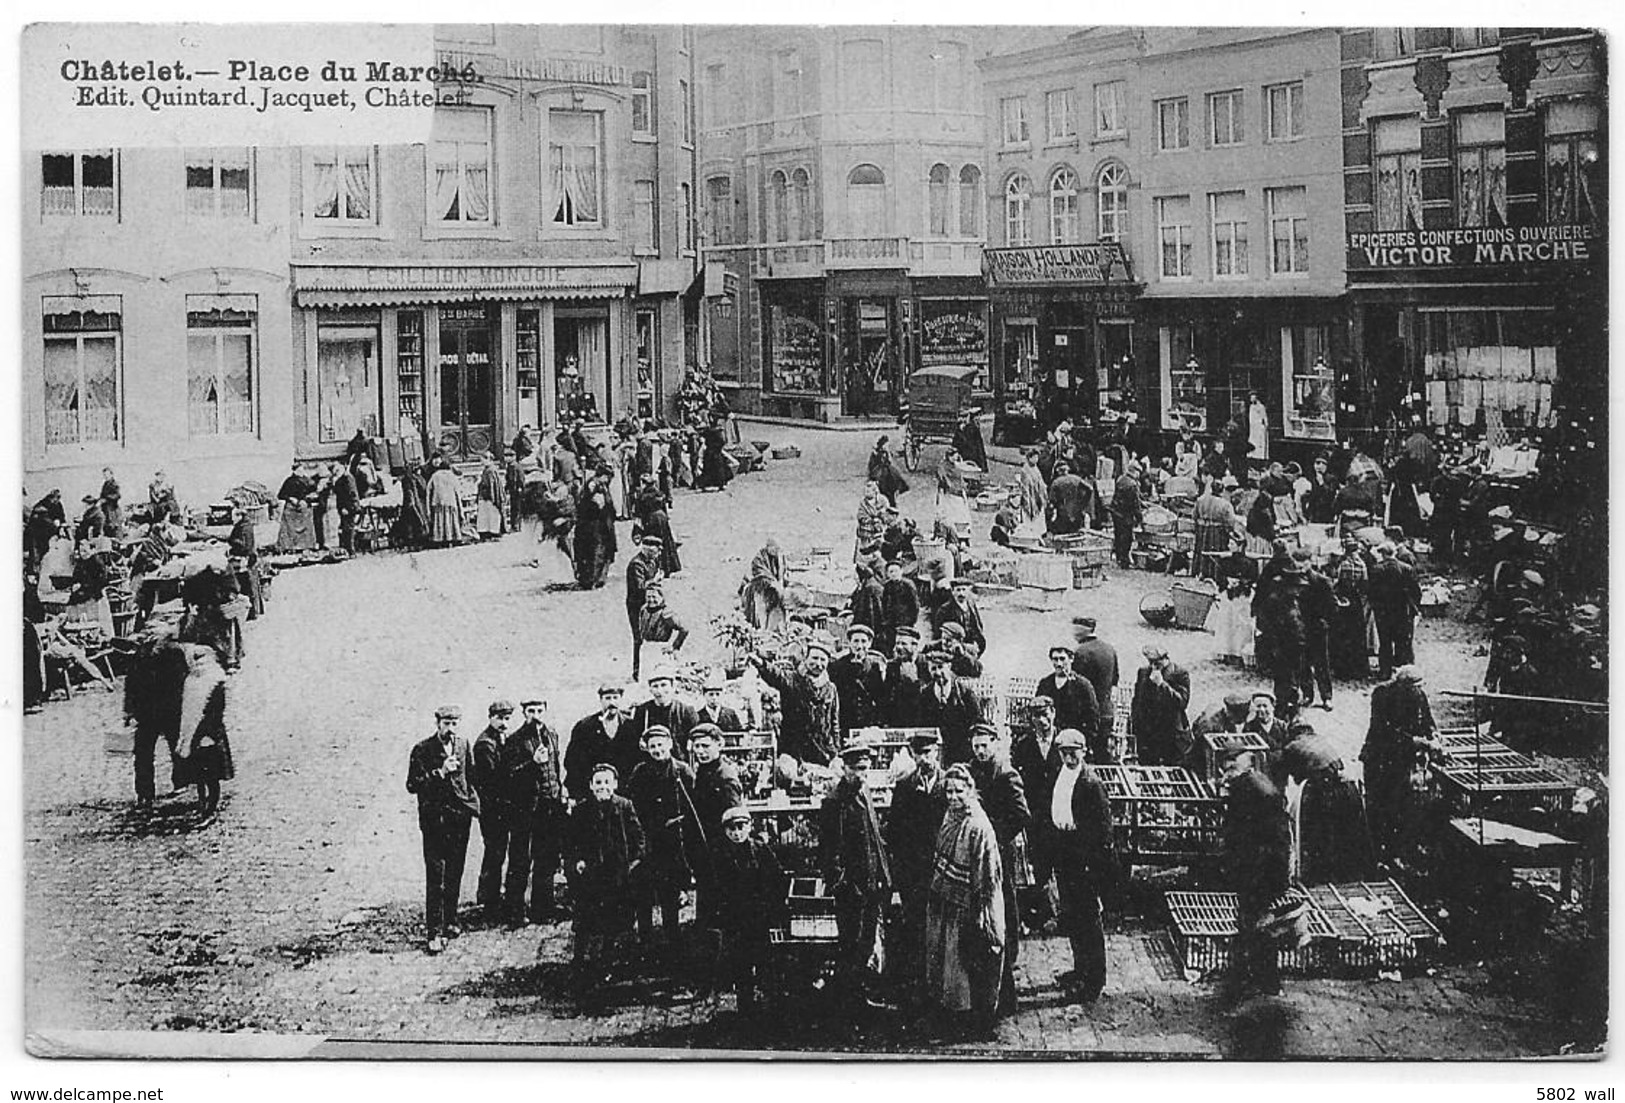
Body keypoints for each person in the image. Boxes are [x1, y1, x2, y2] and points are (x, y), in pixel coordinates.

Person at [923, 764, 1005, 1035]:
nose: (953, 796)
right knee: (946, 962)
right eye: (949, 791)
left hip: (970, 904)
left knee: (966, 965)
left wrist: (980, 912)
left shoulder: (978, 825)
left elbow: (987, 875)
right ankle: (950, 1013)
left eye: (959, 791)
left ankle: (973, 1021)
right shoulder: (950, 815)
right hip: (944, 898)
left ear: (970, 790)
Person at [820, 732, 893, 1012]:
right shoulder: (835, 801)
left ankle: (858, 995)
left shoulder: (864, 793)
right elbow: (829, 852)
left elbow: (874, 838)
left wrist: (884, 876)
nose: (861, 775)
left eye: (865, 769)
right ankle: (847, 1002)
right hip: (853, 890)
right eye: (856, 769)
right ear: (845, 768)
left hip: (872, 883)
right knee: (850, 944)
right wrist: (842, 885)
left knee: (865, 943)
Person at [406, 705, 481, 954]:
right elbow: (413, 784)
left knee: (455, 873)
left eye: (455, 723)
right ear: (437, 723)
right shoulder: (422, 749)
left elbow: (471, 777)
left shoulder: (463, 745)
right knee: (436, 878)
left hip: (459, 820)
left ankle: (450, 921)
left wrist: (471, 805)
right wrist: (439, 772)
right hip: (435, 822)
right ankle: (433, 932)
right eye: (446, 723)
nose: (451, 728)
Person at [966, 723, 1030, 1016]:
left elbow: (1021, 815)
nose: (980, 751)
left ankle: (1008, 959)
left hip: (999, 852)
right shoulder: (971, 770)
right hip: (976, 851)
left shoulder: (1005, 773)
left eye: (985, 745)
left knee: (1005, 904)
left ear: (995, 743)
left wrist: (994, 835)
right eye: (976, 746)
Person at [1047, 729, 1114, 1002]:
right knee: (1073, 915)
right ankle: (1080, 968)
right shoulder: (1063, 773)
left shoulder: (1090, 783)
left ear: (1084, 751)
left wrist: (1093, 868)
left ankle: (1093, 981)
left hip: (1083, 857)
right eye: (1064, 751)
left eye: (1073, 751)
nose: (1069, 756)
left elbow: (1103, 832)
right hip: (1065, 851)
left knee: (1088, 919)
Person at [1220, 748, 1290, 1001]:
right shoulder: (1257, 784)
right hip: (1264, 870)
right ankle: (1261, 979)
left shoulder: (1247, 790)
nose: (1225, 776)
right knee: (1256, 924)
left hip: (1259, 872)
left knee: (1256, 925)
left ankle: (1257, 980)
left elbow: (1239, 832)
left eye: (1229, 769)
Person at [565, 764, 645, 986]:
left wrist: (632, 863)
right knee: (585, 921)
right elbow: (571, 842)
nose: (603, 787)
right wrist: (577, 861)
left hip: (616, 875)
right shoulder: (581, 810)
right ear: (591, 786)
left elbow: (638, 838)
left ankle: (608, 964)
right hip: (590, 875)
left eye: (607, 782)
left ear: (615, 784)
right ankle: (579, 961)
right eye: (598, 783)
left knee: (613, 921)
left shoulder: (624, 806)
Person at [885, 730, 948, 1009]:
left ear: (938, 753)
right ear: (912, 755)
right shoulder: (904, 787)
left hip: (944, 871)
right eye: (919, 753)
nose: (925, 759)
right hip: (915, 874)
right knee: (916, 932)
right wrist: (901, 879)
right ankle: (919, 993)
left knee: (944, 932)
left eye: (930, 753)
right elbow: (896, 835)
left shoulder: (950, 785)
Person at [625, 726, 698, 951]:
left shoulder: (683, 771)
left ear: (669, 744)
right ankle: (645, 940)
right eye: (652, 746)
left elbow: (693, 807)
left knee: (670, 891)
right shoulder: (640, 772)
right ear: (646, 748)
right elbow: (631, 806)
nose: (657, 750)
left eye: (660, 745)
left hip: (674, 843)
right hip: (648, 841)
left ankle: (673, 938)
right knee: (644, 892)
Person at [711, 806, 786, 1013]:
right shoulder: (719, 854)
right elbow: (715, 888)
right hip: (735, 919)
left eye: (741, 827)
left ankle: (768, 1005)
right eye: (731, 829)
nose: (737, 833)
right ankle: (745, 1007)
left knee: (765, 960)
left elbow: (778, 878)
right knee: (740, 963)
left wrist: (773, 906)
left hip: (760, 916)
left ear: (749, 826)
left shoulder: (760, 849)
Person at [1361, 665, 1438, 868]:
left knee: (1401, 804)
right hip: (1380, 758)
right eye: (1416, 687)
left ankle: (1400, 851)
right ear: (1404, 685)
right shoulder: (1382, 695)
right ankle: (1378, 854)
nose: (1420, 691)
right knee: (1379, 807)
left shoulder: (1417, 694)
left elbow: (1427, 718)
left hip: (1401, 760)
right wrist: (1415, 741)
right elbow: (1383, 730)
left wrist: (1433, 734)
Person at [1281, 724, 1375, 885]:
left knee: (1321, 834)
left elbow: (1296, 778)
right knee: (1347, 833)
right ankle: (1352, 874)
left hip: (1321, 791)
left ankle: (1322, 876)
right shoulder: (1320, 740)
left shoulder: (1292, 747)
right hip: (1345, 787)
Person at [503, 697, 566, 925]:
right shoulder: (515, 740)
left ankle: (543, 908)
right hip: (526, 809)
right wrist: (532, 762)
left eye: (540, 710)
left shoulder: (552, 733)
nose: (536, 714)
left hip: (549, 806)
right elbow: (509, 774)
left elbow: (555, 768)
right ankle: (515, 911)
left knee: (546, 859)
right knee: (521, 860)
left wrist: (559, 791)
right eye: (531, 710)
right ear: (524, 713)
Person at [687, 725, 743, 945]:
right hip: (707, 850)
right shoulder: (705, 770)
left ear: (720, 745)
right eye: (697, 746)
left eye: (705, 746)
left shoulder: (725, 777)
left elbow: (735, 818)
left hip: (722, 852)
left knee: (723, 909)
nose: (700, 751)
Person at [1010, 695, 1061, 930]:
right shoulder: (1024, 745)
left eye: (1046, 714)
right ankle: (1045, 912)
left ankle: (1060, 912)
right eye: (1037, 716)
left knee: (1063, 864)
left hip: (1061, 813)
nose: (1042, 720)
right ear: (1031, 720)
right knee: (1039, 863)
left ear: (1054, 714)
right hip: (1036, 815)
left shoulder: (1063, 743)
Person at [750, 639, 841, 768]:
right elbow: (776, 675)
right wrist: (761, 664)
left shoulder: (830, 689)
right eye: (814, 658)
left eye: (823, 660)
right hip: (794, 751)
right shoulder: (793, 679)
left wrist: (835, 750)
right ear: (805, 659)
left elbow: (834, 722)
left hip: (822, 751)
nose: (818, 664)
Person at [123, 633, 188, 811]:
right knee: (160, 749)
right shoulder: (168, 651)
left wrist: (129, 711)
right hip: (160, 710)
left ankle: (149, 792)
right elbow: (131, 683)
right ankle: (152, 790)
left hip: (157, 710)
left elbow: (131, 685)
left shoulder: (166, 652)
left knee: (155, 750)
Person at [470, 700, 518, 922]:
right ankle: (489, 902)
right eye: (500, 718)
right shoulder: (485, 745)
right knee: (495, 854)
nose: (504, 723)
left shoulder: (502, 738)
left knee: (498, 852)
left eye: (507, 718)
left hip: (504, 807)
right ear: (491, 718)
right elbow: (493, 780)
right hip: (493, 810)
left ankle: (493, 898)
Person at [915, 647, 984, 766]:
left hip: (961, 758)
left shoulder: (965, 695)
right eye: (933, 669)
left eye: (941, 667)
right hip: (933, 758)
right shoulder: (924, 696)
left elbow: (977, 727)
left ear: (949, 667)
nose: (937, 673)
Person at [1037, 644, 1102, 762]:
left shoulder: (1083, 686)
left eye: (1062, 659)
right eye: (1055, 659)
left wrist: (1082, 743)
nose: (1059, 664)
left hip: (1073, 746)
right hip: (1050, 745)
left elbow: (1093, 719)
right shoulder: (1045, 684)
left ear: (1071, 659)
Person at [1130, 645, 1192, 767]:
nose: (1153, 667)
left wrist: (1162, 684)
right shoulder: (1143, 672)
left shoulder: (1179, 673)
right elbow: (1137, 700)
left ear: (1165, 659)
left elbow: (1182, 702)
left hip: (1169, 732)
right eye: (1150, 663)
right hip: (1147, 732)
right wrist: (1134, 722)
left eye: (1156, 664)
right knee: (1147, 767)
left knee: (1172, 768)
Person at [565, 683, 628, 803]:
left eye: (615, 698)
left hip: (621, 794)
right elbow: (572, 762)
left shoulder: (630, 726)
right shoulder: (585, 727)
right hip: (592, 792)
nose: (612, 703)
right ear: (601, 700)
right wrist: (575, 793)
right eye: (608, 698)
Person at [624, 667, 700, 766]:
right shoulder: (642, 711)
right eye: (655, 686)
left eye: (664, 685)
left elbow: (695, 741)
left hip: (679, 766)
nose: (659, 691)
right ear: (650, 689)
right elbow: (634, 743)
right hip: (650, 766)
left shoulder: (686, 711)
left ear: (672, 687)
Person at [1367, 543, 1421, 681]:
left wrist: (1376, 606)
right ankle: (1402, 671)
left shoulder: (1376, 569)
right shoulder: (1406, 569)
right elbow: (1416, 591)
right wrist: (1413, 606)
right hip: (1402, 611)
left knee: (1385, 642)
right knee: (1402, 641)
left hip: (1383, 612)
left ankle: (1385, 671)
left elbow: (1371, 592)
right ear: (1394, 553)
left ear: (1383, 554)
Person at [1071, 617, 1120, 761]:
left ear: (1083, 630)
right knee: (1103, 753)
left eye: (1075, 628)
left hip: (1087, 714)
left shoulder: (1080, 652)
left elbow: (1076, 686)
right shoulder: (1109, 649)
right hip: (1106, 711)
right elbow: (1115, 679)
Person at [830, 622, 886, 735]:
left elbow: (880, 698)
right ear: (849, 643)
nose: (859, 646)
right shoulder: (838, 666)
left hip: (868, 725)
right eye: (855, 641)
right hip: (845, 722)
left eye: (863, 641)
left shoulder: (875, 667)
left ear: (870, 643)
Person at [1331, 537, 1372, 680]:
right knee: (1358, 635)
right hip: (1356, 601)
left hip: (1344, 599)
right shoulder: (1362, 564)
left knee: (1343, 634)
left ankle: (1343, 669)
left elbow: (1337, 582)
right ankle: (1359, 669)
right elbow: (1365, 584)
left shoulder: (1343, 564)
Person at [1301, 553, 1338, 710]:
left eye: (1303, 563)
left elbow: (1333, 605)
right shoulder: (1294, 581)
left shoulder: (1322, 581)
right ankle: (1307, 694)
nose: (1300, 567)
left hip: (1317, 627)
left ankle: (1326, 696)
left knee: (1321, 662)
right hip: (1300, 627)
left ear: (1310, 562)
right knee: (1303, 663)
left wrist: (1325, 620)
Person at [626, 535, 665, 681]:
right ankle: (637, 673)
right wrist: (654, 581)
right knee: (639, 638)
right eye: (656, 551)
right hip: (637, 605)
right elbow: (639, 587)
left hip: (652, 605)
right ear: (647, 548)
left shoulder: (652, 561)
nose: (658, 554)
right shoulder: (636, 564)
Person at [572, 472, 618, 590]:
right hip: (595, 527)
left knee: (599, 552)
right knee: (595, 552)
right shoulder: (594, 489)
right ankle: (591, 579)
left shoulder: (600, 487)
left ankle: (597, 578)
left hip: (599, 526)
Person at [633, 477, 682, 577]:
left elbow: (638, 514)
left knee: (653, 542)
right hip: (662, 519)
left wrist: (637, 530)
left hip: (651, 520)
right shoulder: (660, 494)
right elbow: (665, 509)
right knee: (666, 542)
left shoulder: (641, 497)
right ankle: (669, 566)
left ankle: (657, 567)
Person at [1193, 476, 1239, 582]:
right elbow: (1230, 521)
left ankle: (1201, 571)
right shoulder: (1225, 504)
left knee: (1202, 549)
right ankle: (1214, 573)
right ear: (1222, 490)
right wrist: (1230, 531)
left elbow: (1194, 515)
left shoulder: (1201, 500)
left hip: (1203, 529)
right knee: (1216, 551)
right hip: (1217, 531)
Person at [1241, 690, 1293, 784]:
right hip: (1259, 773)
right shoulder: (1250, 727)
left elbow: (1288, 751)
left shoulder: (1282, 727)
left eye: (1265, 706)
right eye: (1258, 706)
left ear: (1273, 707)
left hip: (1279, 773)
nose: (1261, 710)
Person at [883, 626, 928, 727]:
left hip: (922, 720)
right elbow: (887, 696)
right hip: (899, 720)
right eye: (897, 643)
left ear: (914, 646)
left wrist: (914, 681)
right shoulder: (892, 666)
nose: (898, 647)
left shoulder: (925, 663)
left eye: (903, 644)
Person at [739, 539, 787, 631]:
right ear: (767, 547)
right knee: (760, 612)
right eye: (772, 548)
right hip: (758, 588)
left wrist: (780, 583)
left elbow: (782, 574)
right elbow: (760, 573)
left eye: (776, 549)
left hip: (773, 590)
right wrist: (773, 582)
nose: (774, 551)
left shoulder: (779, 558)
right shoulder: (759, 558)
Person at [930, 576, 986, 655]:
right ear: (952, 591)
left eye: (964, 590)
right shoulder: (945, 610)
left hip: (971, 646)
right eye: (958, 590)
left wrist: (977, 642)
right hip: (953, 648)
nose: (961, 593)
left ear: (968, 591)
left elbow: (977, 625)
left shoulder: (971, 606)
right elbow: (939, 634)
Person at [878, 558, 920, 658]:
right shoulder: (887, 586)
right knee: (891, 642)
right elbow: (884, 603)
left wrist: (912, 621)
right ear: (887, 574)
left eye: (896, 571)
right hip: (891, 622)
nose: (894, 574)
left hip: (905, 621)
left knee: (905, 642)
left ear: (901, 571)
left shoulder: (908, 585)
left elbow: (915, 605)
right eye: (891, 571)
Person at [275, 464, 319, 552]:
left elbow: (314, 492)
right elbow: (281, 494)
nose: (301, 472)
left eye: (302, 470)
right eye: (299, 470)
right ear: (295, 471)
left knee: (307, 527)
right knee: (289, 529)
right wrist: (291, 498)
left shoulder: (307, 480)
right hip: (291, 509)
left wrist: (307, 499)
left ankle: (307, 546)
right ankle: (289, 547)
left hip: (304, 508)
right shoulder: (289, 481)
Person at [1109, 460, 1144, 568]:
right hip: (1125, 514)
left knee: (1118, 535)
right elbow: (1135, 503)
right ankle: (1124, 561)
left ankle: (1119, 558)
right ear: (1135, 471)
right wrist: (1140, 518)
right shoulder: (1133, 484)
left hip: (1116, 511)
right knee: (1127, 538)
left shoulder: (1121, 479)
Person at [1046, 460, 1093, 536]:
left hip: (1062, 516)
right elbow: (1090, 489)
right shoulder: (1076, 479)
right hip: (1077, 514)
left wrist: (1049, 520)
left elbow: (1051, 502)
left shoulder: (1056, 482)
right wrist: (1083, 504)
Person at [425, 457, 464, 547]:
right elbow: (457, 492)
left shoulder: (435, 475)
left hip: (438, 502)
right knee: (451, 520)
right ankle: (454, 538)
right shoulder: (452, 476)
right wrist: (460, 508)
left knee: (440, 521)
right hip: (451, 502)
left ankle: (440, 539)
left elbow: (428, 490)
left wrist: (428, 507)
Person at [849, 557, 886, 640]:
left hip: (872, 630)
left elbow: (871, 613)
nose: (854, 577)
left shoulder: (870, 588)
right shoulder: (868, 584)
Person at [867, 437, 909, 506]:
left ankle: (893, 496)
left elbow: (889, 461)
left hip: (886, 473)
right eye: (885, 445)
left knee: (892, 480)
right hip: (880, 474)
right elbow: (872, 466)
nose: (887, 447)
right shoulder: (876, 454)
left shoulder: (885, 453)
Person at [475, 452, 508, 539]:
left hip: (488, 497)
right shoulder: (488, 469)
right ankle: (488, 531)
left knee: (491, 514)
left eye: (483, 460)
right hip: (486, 496)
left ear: (488, 459)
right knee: (487, 515)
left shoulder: (490, 470)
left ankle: (492, 531)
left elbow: (491, 485)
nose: (481, 462)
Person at [855, 480, 888, 563]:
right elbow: (860, 516)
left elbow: (887, 514)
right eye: (865, 491)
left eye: (868, 491)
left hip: (879, 531)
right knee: (864, 553)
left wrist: (880, 518)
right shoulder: (863, 503)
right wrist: (872, 520)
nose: (866, 493)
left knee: (878, 550)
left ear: (875, 491)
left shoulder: (882, 500)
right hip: (865, 532)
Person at [697, 415, 732, 491]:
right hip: (716, 453)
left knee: (708, 469)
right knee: (719, 469)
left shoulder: (709, 431)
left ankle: (706, 484)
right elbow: (722, 442)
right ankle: (721, 484)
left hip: (710, 453)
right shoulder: (717, 432)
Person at [1016, 451, 1047, 523]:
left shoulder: (1036, 468)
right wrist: (1027, 502)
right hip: (1031, 495)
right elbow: (1025, 487)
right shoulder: (1025, 470)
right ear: (1029, 458)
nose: (1036, 459)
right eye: (1034, 457)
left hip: (1038, 494)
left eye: (1037, 457)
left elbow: (1040, 480)